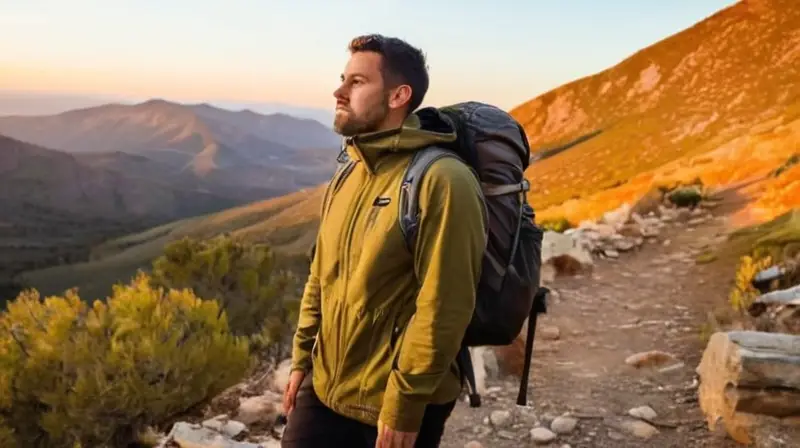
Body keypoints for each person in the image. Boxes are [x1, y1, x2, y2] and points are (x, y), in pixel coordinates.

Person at [280, 33, 487, 448]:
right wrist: (302, 358)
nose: (338, 91)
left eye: (357, 82)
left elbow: (444, 306)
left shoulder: (443, 181)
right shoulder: (348, 172)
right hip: (325, 387)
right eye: (343, 78)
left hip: (393, 403)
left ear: (398, 96)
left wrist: (405, 403)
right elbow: (320, 277)